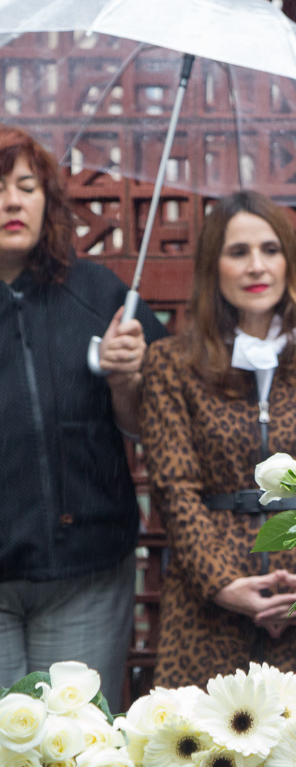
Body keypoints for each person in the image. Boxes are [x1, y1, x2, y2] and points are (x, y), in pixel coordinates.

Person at [139, 191, 296, 685]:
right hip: (210, 605)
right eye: (237, 252)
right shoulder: (172, 365)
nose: (256, 266)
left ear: (289, 261)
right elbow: (173, 486)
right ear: (213, 267)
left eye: (270, 249)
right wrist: (223, 583)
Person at [0, 128, 165, 707]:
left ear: (48, 200)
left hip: (87, 573)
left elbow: (152, 429)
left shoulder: (100, 296)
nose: (12, 201)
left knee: (78, 741)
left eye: (26, 186)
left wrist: (129, 378)